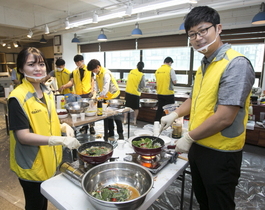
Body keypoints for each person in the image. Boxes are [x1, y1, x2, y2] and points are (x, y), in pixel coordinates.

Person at [160, 6, 255, 210]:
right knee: (203, 201)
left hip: (221, 152)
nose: (198, 38)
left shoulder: (235, 63)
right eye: (192, 34)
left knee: (219, 204)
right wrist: (175, 114)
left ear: (218, 28)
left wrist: (188, 137)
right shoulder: (205, 65)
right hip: (199, 145)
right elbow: (195, 99)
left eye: (203, 30)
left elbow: (224, 118)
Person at [8, 47, 80, 210]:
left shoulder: (47, 91)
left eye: (41, 64)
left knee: (43, 202)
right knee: (35, 205)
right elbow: (23, 136)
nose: (38, 69)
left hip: (49, 160)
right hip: (32, 163)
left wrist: (62, 127)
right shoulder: (17, 98)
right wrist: (57, 140)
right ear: (21, 69)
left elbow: (49, 120)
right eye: (31, 64)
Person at [87, 59, 124, 140]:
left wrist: (99, 97)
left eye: (94, 70)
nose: (94, 72)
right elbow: (96, 87)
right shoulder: (97, 74)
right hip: (106, 96)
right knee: (107, 115)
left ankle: (120, 134)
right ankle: (110, 132)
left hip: (114, 95)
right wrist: (95, 95)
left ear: (98, 67)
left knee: (116, 115)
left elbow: (106, 88)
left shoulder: (106, 73)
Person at [59, 54, 95, 135]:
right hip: (79, 95)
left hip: (88, 93)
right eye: (76, 62)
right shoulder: (74, 72)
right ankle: (84, 126)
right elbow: (71, 82)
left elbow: (92, 81)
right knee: (82, 112)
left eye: (79, 62)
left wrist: (92, 90)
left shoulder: (89, 70)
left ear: (82, 61)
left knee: (90, 111)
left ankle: (91, 126)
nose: (78, 63)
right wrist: (64, 86)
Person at [154, 56, 177, 122]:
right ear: (170, 62)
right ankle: (169, 124)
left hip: (160, 92)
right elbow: (174, 81)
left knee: (160, 109)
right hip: (168, 93)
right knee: (170, 111)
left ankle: (156, 123)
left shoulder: (158, 70)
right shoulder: (170, 69)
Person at [124, 61, 145, 125]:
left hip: (128, 91)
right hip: (135, 93)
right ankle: (134, 121)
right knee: (136, 108)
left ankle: (125, 120)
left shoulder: (131, 71)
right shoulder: (141, 75)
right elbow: (142, 85)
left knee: (127, 107)